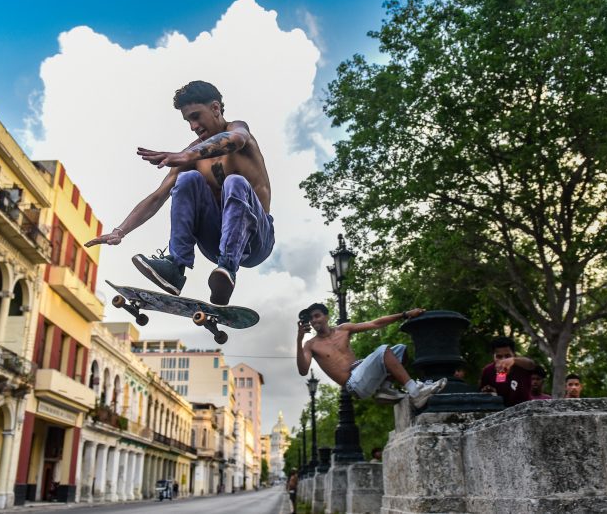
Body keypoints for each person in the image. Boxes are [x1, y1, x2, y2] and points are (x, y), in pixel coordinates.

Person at [86, 81, 274, 305]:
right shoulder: (190, 156)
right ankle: (176, 267)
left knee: (234, 182)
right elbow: (158, 196)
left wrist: (188, 156)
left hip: (256, 241)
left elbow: (237, 139)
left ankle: (227, 271)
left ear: (215, 108)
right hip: (216, 242)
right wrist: (120, 231)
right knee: (186, 179)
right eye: (188, 121)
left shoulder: (237, 130)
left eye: (196, 117)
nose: (193, 126)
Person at [296, 303, 446, 408]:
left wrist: (405, 314)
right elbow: (303, 370)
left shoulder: (343, 329)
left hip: (363, 372)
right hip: (353, 384)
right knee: (383, 351)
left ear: (326, 317)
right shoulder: (311, 345)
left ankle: (386, 389)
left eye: (317, 316)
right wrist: (299, 339)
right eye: (311, 318)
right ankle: (416, 392)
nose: (314, 320)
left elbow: (376, 323)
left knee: (400, 349)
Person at [479, 337, 536, 407]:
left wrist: (513, 360)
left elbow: (531, 364)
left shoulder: (522, 366)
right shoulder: (488, 371)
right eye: (499, 357)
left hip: (524, 410)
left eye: (507, 356)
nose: (504, 359)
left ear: (514, 354)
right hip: (500, 412)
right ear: (493, 357)